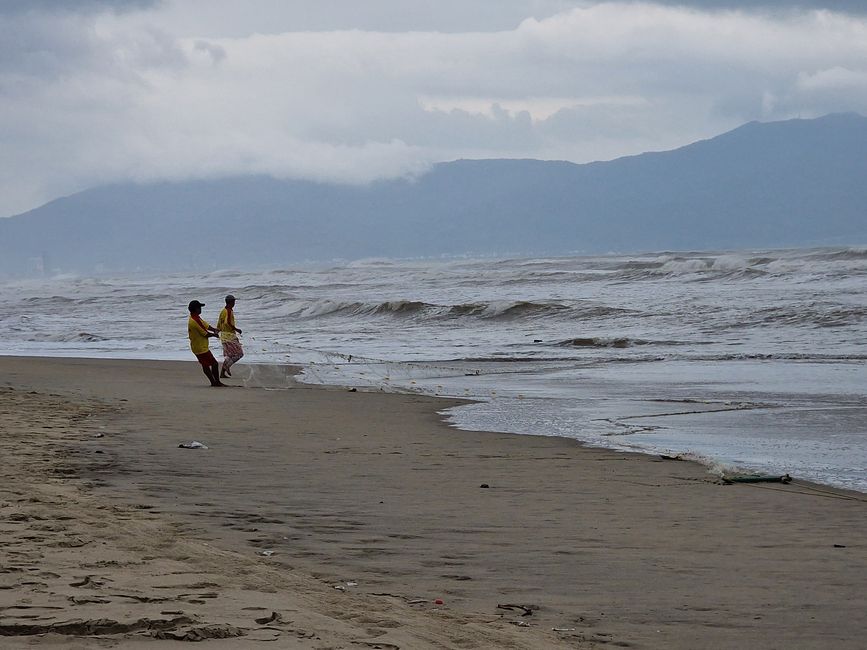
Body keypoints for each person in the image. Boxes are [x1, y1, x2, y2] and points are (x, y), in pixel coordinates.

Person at [187, 300, 223, 387]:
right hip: (200, 347)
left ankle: (213, 382)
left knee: (205, 365)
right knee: (214, 363)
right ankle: (216, 382)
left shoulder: (195, 317)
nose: (200, 309)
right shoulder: (195, 320)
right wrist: (214, 335)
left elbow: (205, 325)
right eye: (199, 307)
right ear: (196, 309)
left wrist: (214, 329)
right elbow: (205, 333)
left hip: (196, 346)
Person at [216, 294, 244, 378]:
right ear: (231, 302)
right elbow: (227, 322)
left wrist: (217, 332)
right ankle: (226, 366)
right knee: (239, 354)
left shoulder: (222, 311)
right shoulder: (228, 311)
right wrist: (236, 329)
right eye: (234, 301)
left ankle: (222, 373)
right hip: (230, 336)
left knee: (229, 355)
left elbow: (219, 324)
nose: (234, 303)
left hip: (224, 336)